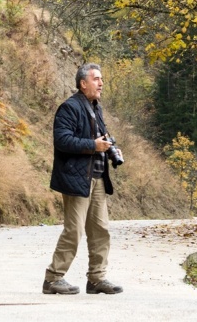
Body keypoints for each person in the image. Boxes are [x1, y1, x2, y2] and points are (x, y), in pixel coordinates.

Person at [42, 62, 124, 295]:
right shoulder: (69, 107)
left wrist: (110, 148)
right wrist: (93, 145)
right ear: (83, 83)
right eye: (96, 79)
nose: (101, 83)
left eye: (101, 79)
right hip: (76, 179)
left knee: (101, 230)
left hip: (97, 178)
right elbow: (62, 140)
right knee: (74, 230)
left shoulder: (96, 108)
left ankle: (96, 279)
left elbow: (100, 137)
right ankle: (52, 279)